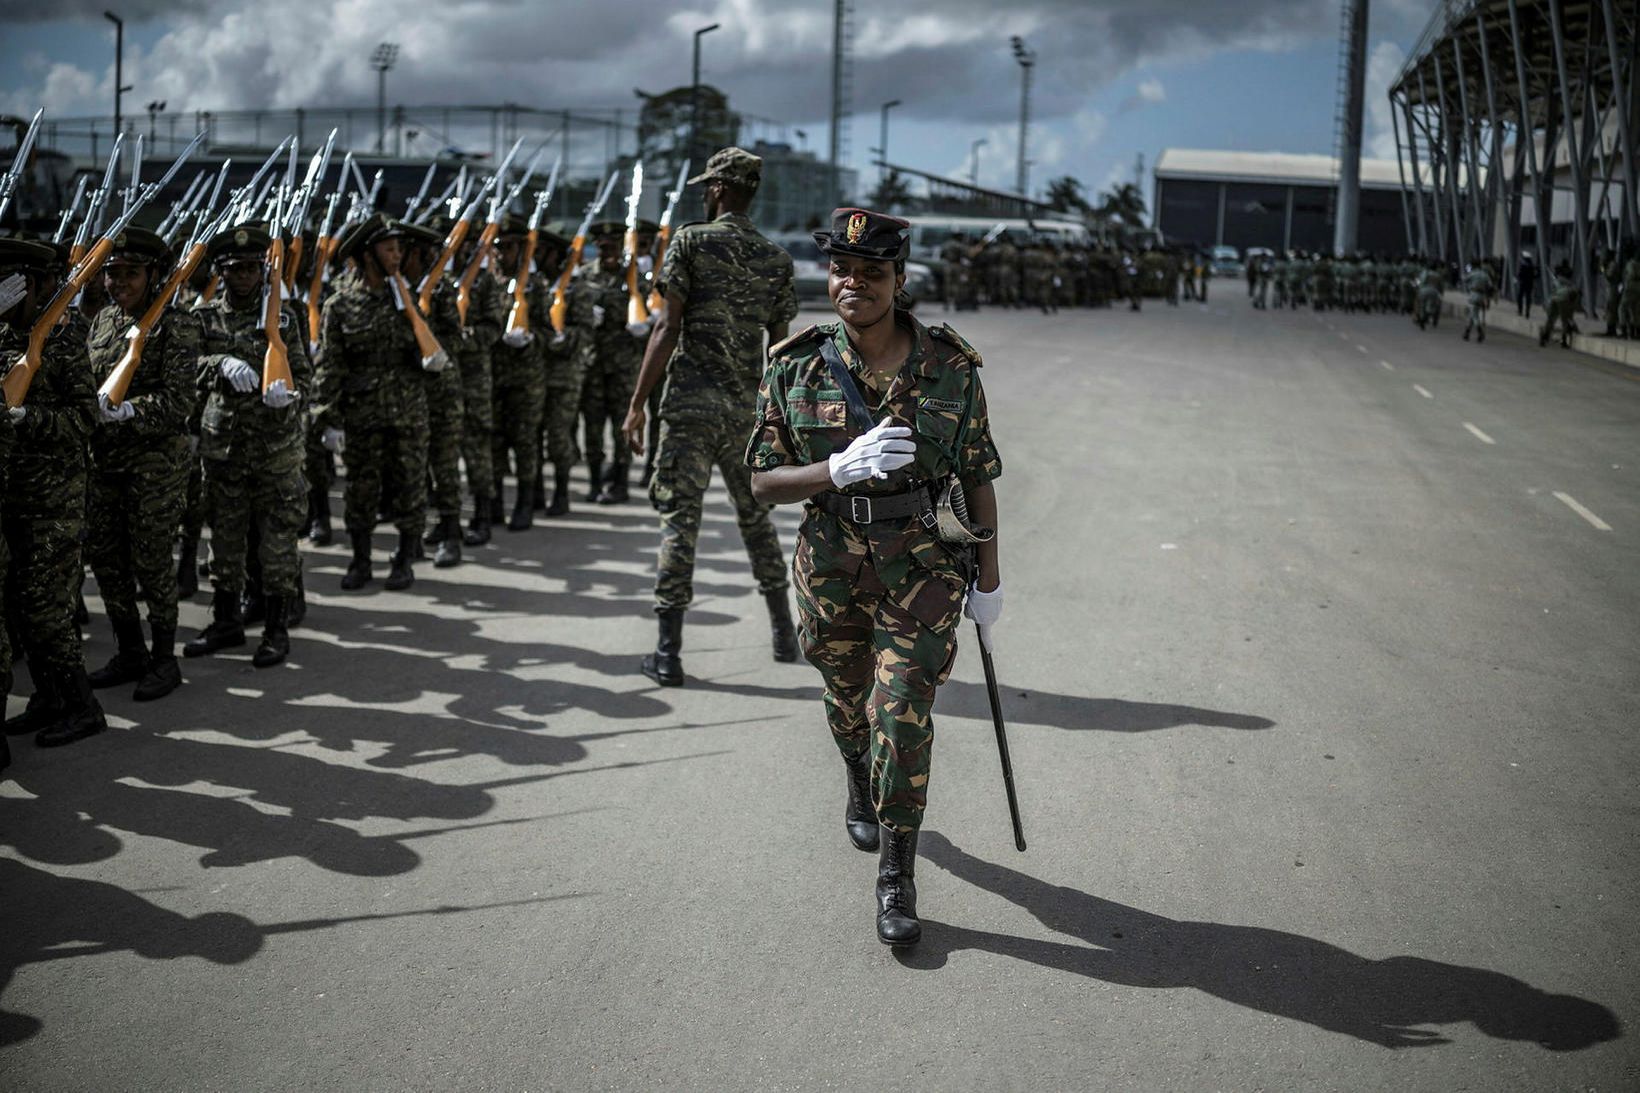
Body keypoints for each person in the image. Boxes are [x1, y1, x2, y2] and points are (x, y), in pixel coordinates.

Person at [745, 207, 1004, 947]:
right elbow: (762, 481)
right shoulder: (794, 364)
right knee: (847, 697)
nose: (851, 284)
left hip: (922, 564)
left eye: (870, 273)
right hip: (829, 563)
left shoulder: (949, 366)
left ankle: (897, 874)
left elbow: (979, 476)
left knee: (901, 714)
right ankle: (857, 772)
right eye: (840, 271)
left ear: (899, 279)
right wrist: (833, 469)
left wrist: (989, 581)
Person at [619, 146, 798, 687]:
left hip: (691, 409)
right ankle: (784, 633)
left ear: (719, 188)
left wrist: (635, 406)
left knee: (680, 524)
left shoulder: (692, 241)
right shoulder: (775, 259)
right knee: (756, 520)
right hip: (745, 412)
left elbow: (666, 328)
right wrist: (776, 418)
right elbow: (780, 349)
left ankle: (668, 654)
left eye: (707, 185)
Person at [183, 224, 313, 666]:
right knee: (224, 539)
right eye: (235, 269)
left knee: (276, 544)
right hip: (224, 447)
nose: (243, 276)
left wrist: (287, 393)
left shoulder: (284, 319)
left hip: (275, 449)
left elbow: (306, 377)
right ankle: (226, 621)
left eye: (251, 268)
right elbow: (186, 369)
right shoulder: (203, 319)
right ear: (221, 271)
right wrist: (220, 363)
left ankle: (277, 629)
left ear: (264, 271)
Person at [84, 227, 202, 702]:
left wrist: (133, 409)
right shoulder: (105, 321)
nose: (118, 284)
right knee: (108, 561)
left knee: (153, 562)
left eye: (130, 274)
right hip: (105, 461)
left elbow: (179, 401)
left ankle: (164, 659)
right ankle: (130, 649)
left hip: (155, 464)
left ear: (154, 275)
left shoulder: (178, 324)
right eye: (112, 275)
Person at [0, 237, 106, 749]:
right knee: (20, 606)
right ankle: (47, 698)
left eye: (11, 282)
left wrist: (29, 418)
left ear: (37, 285)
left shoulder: (64, 339)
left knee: (47, 610)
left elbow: (86, 417)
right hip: (10, 495)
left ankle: (83, 706)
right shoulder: (0, 334)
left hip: (53, 500)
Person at [311, 213, 443, 591]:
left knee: (410, 485)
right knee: (361, 489)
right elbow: (331, 367)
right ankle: (360, 560)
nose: (397, 255)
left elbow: (431, 356)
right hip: (362, 413)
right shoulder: (340, 306)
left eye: (399, 248)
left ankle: (405, 558)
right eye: (389, 249)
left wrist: (412, 312)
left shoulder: (408, 298)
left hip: (407, 411)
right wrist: (326, 418)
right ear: (368, 255)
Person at [578, 220, 654, 505]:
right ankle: (596, 481)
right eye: (603, 247)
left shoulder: (635, 279)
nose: (608, 252)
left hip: (624, 366)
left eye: (613, 247)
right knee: (593, 427)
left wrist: (642, 322)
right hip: (593, 364)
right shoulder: (584, 276)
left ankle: (619, 482)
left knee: (623, 425)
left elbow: (651, 315)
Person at [1461, 260, 1494, 342]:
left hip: (1473, 295)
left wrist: (1464, 276)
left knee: (1474, 315)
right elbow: (1490, 286)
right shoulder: (1485, 275)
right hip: (1481, 296)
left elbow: (1464, 279)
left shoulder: (1473, 273)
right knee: (1473, 313)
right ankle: (1466, 333)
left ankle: (1480, 333)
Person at [1517, 253, 1537, 319]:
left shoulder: (1523, 266)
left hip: (1523, 284)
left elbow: (1520, 274)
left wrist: (1519, 279)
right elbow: (1535, 276)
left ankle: (1520, 311)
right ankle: (1527, 312)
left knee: (1520, 297)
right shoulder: (1532, 266)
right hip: (1529, 284)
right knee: (1528, 298)